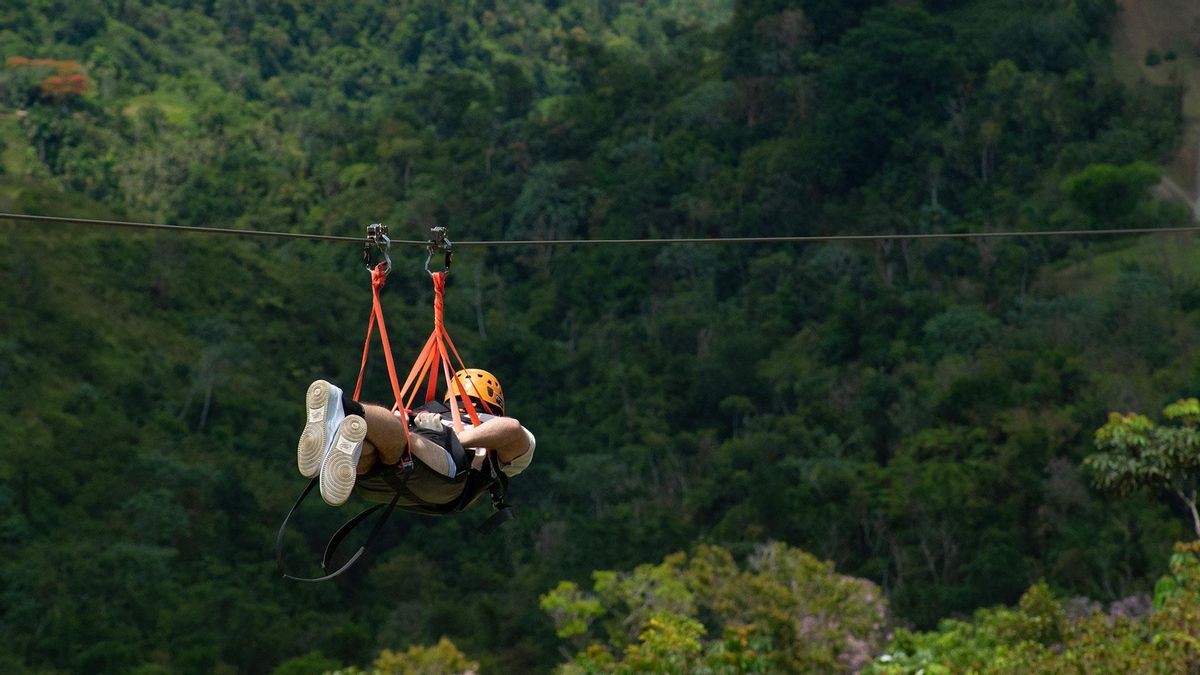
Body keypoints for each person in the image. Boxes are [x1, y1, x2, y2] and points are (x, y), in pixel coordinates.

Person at [296, 369, 535, 507]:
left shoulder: (489, 428)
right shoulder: (431, 412)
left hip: (444, 473)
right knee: (378, 444)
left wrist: (455, 437)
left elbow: (512, 430)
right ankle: (342, 442)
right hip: (402, 481)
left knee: (403, 439)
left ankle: (343, 408)